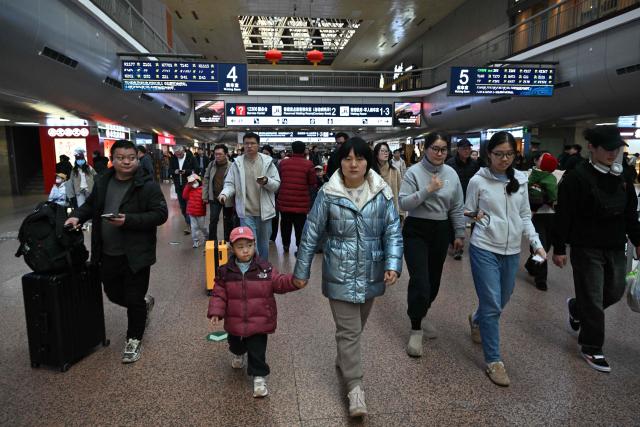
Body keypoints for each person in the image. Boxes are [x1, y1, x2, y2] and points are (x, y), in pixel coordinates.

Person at [293, 137, 403, 418]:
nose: (354, 164)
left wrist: (393, 263)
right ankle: (355, 389)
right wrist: (301, 272)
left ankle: (344, 359)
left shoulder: (382, 192)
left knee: (356, 327)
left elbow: (392, 230)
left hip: (371, 271)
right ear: (339, 162)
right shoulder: (327, 193)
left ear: (369, 162)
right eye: (348, 158)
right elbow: (311, 234)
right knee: (350, 331)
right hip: (339, 270)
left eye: (360, 158)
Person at [64, 139, 168, 363]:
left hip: (136, 253)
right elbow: (91, 205)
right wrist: (77, 216)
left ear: (137, 159)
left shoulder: (147, 185)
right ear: (113, 160)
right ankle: (143, 304)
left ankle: (133, 339)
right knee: (113, 293)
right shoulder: (103, 181)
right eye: (121, 158)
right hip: (107, 252)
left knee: (132, 296)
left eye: (131, 158)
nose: (126, 162)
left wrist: (129, 220)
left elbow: (160, 214)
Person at [552, 126, 640, 373]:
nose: (613, 154)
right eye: (607, 149)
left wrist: (638, 239)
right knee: (592, 296)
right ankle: (591, 346)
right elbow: (564, 215)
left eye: (617, 149)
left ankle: (576, 308)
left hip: (615, 246)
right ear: (592, 147)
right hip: (586, 246)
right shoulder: (576, 177)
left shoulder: (622, 177)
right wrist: (559, 248)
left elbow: (630, 213)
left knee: (614, 291)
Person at [465, 131, 545, 387]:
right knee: (492, 305)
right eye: (499, 154)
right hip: (484, 247)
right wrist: (477, 218)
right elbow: (467, 211)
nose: (504, 159)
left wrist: (536, 244)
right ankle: (494, 360)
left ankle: (476, 319)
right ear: (489, 154)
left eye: (509, 154)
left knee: (503, 298)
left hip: (512, 250)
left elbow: (524, 216)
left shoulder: (521, 180)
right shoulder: (478, 181)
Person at [208, 226, 305, 398]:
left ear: (254, 245)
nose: (245, 250)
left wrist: (294, 281)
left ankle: (259, 377)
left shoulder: (264, 269)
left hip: (259, 320)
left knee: (257, 350)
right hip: (235, 320)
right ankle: (238, 353)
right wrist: (216, 311)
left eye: (249, 245)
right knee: (235, 344)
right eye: (240, 247)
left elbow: (279, 282)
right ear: (232, 248)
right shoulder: (225, 271)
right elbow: (219, 292)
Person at [399, 132, 465, 357]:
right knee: (420, 280)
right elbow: (404, 202)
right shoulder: (413, 172)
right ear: (425, 149)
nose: (439, 153)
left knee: (434, 281)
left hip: (441, 230)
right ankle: (415, 328)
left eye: (444, 149)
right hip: (416, 230)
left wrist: (459, 233)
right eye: (435, 148)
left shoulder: (452, 174)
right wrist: (428, 190)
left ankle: (423, 312)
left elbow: (456, 206)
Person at [218, 132, 280, 262]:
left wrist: (267, 181)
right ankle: (253, 269)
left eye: (252, 143)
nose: (249, 146)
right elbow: (230, 183)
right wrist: (224, 194)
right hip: (245, 212)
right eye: (246, 143)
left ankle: (263, 267)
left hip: (265, 211)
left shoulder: (267, 162)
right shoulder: (237, 163)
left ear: (258, 145)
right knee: (250, 243)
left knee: (263, 244)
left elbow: (276, 185)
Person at [524, 152, 559, 291]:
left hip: (551, 216)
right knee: (541, 246)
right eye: (540, 159)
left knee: (546, 247)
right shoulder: (528, 175)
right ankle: (541, 279)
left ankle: (531, 264)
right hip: (536, 216)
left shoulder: (556, 176)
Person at [276, 140, 317, 254]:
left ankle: (285, 245)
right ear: (304, 150)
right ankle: (299, 247)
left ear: (292, 150)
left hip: (285, 201)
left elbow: (278, 180)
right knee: (300, 227)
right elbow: (313, 183)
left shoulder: (283, 163)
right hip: (301, 202)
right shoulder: (308, 164)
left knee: (285, 225)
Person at [446, 138, 481, 260]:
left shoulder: (474, 164)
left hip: (471, 198)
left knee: (475, 221)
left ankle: (476, 244)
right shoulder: (450, 164)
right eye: (465, 149)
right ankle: (457, 247)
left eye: (469, 148)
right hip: (455, 199)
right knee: (455, 222)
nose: (467, 151)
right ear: (458, 150)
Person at [203, 144, 234, 242]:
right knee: (213, 220)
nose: (217, 156)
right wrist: (205, 195)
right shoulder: (212, 164)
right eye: (215, 154)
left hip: (228, 199)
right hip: (214, 197)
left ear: (226, 154)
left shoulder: (232, 166)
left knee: (228, 221)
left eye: (220, 154)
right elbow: (206, 179)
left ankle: (227, 242)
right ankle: (212, 243)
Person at [169, 146, 196, 234]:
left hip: (189, 186)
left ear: (183, 151)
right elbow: (170, 170)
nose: (178, 156)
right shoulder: (173, 159)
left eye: (180, 154)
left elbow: (196, 169)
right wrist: (175, 172)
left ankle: (190, 225)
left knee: (189, 206)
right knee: (183, 207)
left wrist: (186, 171)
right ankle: (189, 222)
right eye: (176, 154)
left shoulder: (190, 158)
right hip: (179, 186)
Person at [372, 142, 402, 212]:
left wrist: (401, 212)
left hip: (392, 209)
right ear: (376, 154)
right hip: (375, 211)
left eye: (387, 151)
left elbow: (400, 192)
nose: (386, 153)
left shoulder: (395, 171)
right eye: (382, 151)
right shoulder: (371, 172)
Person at [182, 174, 207, 248]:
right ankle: (196, 241)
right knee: (194, 227)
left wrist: (205, 201)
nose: (193, 183)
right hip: (192, 213)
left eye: (195, 181)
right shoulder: (189, 190)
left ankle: (206, 236)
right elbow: (184, 196)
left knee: (202, 227)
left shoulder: (202, 189)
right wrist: (188, 185)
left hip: (200, 213)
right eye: (192, 182)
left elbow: (206, 199)